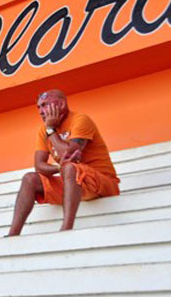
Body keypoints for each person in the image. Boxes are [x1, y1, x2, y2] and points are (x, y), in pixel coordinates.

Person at [7, 90, 120, 236]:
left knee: (70, 167)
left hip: (102, 183)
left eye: (45, 105)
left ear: (61, 104)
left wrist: (51, 131)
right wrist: (59, 167)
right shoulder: (43, 130)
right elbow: (39, 165)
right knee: (30, 178)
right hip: (73, 182)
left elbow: (69, 156)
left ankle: (66, 230)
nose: (41, 112)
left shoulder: (80, 120)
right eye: (39, 108)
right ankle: (12, 234)